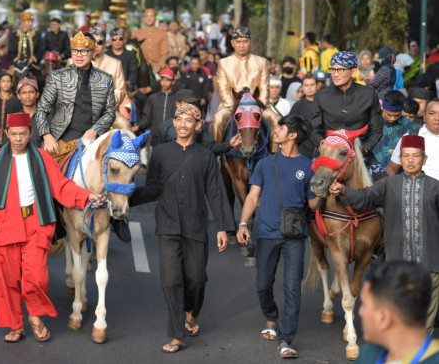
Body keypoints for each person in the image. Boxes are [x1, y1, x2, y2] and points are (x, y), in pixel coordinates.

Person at [0, 112, 104, 343]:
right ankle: (16, 325)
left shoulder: (43, 158)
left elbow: (62, 186)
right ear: (7, 134)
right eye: (13, 134)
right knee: (7, 280)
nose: (17, 138)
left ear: (30, 134)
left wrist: (87, 196)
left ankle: (34, 316)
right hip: (4, 224)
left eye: (22, 134)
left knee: (36, 277)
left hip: (35, 223)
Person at [131, 104, 232, 354]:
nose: (184, 124)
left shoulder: (206, 156)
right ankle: (176, 334)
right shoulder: (161, 152)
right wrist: (126, 196)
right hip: (167, 224)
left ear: (198, 126)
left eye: (189, 121)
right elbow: (153, 187)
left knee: (196, 279)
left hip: (196, 226)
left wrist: (222, 227)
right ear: (173, 123)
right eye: (179, 119)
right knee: (170, 279)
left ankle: (191, 312)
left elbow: (216, 193)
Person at [330, 134, 439, 332]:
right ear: (400, 159)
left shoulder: (436, 188)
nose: (410, 160)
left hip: (429, 263)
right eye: (405, 156)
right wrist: (344, 191)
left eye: (415, 156)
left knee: (424, 318)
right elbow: (364, 198)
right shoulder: (389, 185)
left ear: (424, 160)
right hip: (397, 262)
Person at [237, 115, 318, 359]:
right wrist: (243, 223)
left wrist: (326, 190)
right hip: (266, 232)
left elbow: (313, 205)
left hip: (294, 235)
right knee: (262, 284)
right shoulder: (265, 163)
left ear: (293, 135)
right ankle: (271, 317)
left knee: (293, 288)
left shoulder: (308, 166)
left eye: (281, 127)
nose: (277, 130)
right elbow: (252, 196)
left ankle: (285, 339)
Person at [36, 31, 115, 162]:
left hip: (94, 140)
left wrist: (94, 130)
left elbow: (110, 112)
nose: (79, 55)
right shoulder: (58, 77)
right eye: (75, 51)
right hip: (60, 141)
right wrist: (46, 135)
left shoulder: (105, 79)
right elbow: (41, 110)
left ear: (93, 52)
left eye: (84, 51)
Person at [355, 261, 439, 363]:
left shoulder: (369, 357)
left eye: (364, 304)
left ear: (383, 318)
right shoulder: (368, 354)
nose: (360, 312)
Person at [310, 51, 383, 164]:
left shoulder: (368, 94)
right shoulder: (321, 96)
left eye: (340, 70)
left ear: (353, 71)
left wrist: (364, 149)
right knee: (310, 180)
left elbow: (377, 130)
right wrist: (326, 146)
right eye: (333, 69)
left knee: (381, 179)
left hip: (361, 154)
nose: (335, 74)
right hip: (327, 152)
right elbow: (314, 130)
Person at [210, 26, 273, 143]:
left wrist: (258, 106)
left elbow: (264, 88)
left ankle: (275, 156)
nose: (242, 45)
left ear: (251, 42)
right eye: (238, 42)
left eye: (245, 41)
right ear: (232, 43)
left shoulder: (261, 62)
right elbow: (223, 90)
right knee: (217, 119)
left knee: (275, 119)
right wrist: (235, 107)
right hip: (230, 106)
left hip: (258, 106)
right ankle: (215, 155)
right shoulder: (224, 63)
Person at [372, 90, 417, 173]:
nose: (392, 118)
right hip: (370, 171)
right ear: (382, 107)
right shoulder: (371, 122)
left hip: (398, 175)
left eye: (397, 115)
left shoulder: (410, 127)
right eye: (389, 115)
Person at [137, 68, 178, 146]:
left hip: (173, 136)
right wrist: (139, 126)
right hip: (156, 136)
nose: (164, 83)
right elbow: (146, 117)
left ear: (173, 82)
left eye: (168, 80)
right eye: (162, 80)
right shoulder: (153, 98)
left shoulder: (177, 98)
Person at [90, 28, 126, 105]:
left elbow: (120, 92)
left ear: (105, 45)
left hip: (108, 110)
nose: (95, 45)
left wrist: (100, 100)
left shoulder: (115, 64)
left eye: (99, 42)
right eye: (92, 41)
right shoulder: (75, 62)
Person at [290, 74, 318, 158]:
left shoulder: (324, 104)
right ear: (302, 87)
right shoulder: (297, 106)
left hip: (322, 148)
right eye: (306, 85)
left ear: (317, 86)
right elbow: (291, 127)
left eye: (312, 85)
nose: (309, 88)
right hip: (302, 150)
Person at [132, 8, 169, 74]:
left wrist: (160, 64)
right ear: (144, 19)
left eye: (151, 16)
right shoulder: (136, 33)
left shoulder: (162, 33)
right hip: (140, 67)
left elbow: (165, 52)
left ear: (155, 19)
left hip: (158, 67)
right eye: (147, 16)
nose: (149, 19)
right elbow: (133, 51)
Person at [105, 27, 139, 94]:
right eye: (114, 39)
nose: (117, 41)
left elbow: (133, 73)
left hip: (127, 89)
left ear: (124, 40)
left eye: (120, 39)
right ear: (110, 41)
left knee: (143, 100)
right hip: (107, 89)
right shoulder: (105, 55)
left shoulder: (131, 55)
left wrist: (127, 83)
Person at [16, 77, 42, 147]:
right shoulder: (16, 119)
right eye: (24, 93)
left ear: (37, 94)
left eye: (31, 92)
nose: (27, 96)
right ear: (19, 96)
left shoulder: (47, 118)